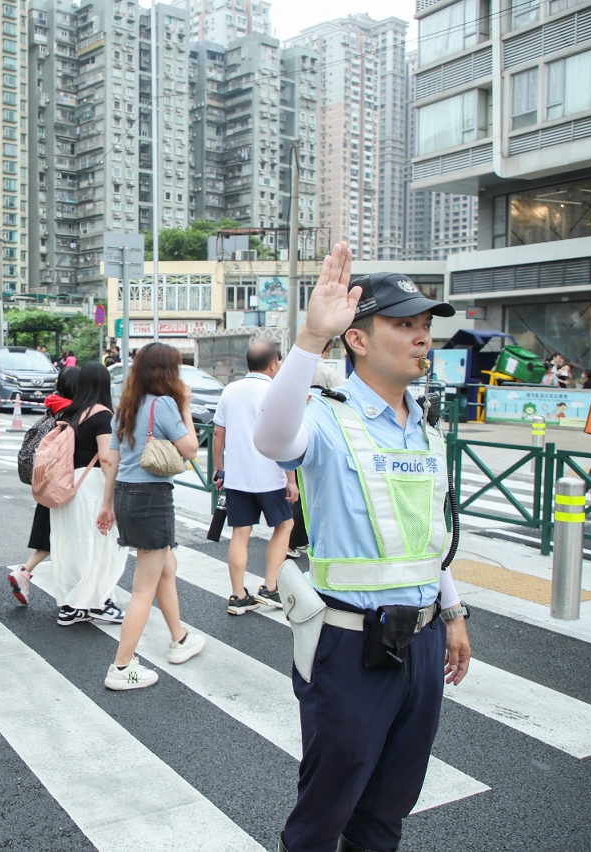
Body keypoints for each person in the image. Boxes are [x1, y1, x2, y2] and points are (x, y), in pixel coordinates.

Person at [252, 250, 473, 852]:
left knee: (388, 808)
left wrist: (452, 613)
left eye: (424, 325)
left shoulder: (424, 429)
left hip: (423, 640)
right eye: (404, 324)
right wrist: (309, 339)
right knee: (326, 811)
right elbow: (270, 437)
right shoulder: (328, 418)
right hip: (351, 644)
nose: (422, 337)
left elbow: (427, 536)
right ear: (358, 339)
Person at [97, 343, 206, 690]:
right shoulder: (165, 405)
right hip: (152, 498)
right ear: (167, 372)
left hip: (126, 495)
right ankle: (121, 667)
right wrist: (185, 404)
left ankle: (179, 637)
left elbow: (112, 461)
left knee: (165, 567)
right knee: (143, 588)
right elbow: (191, 450)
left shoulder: (126, 408)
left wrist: (107, 504)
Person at [211, 342, 298, 615]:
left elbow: (218, 433)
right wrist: (291, 479)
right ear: (273, 364)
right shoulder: (277, 392)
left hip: (237, 477)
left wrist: (219, 468)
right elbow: (285, 439)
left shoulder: (230, 390)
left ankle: (238, 595)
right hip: (271, 476)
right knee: (284, 525)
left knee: (240, 534)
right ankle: (270, 586)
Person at [46, 362, 126, 626]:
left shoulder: (70, 412)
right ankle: (97, 603)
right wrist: (110, 501)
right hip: (91, 486)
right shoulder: (103, 415)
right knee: (98, 545)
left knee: (69, 546)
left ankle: (70, 606)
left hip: (67, 485)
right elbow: (107, 459)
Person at [8, 365, 79, 603]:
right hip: (63, 485)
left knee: (47, 536)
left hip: (46, 482)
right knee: (69, 537)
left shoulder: (52, 408)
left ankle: (23, 572)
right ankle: (74, 591)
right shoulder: (73, 414)